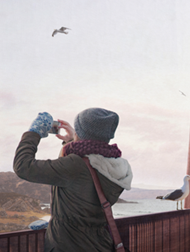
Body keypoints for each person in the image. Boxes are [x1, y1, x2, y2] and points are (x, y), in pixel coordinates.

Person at [14, 108, 133, 252]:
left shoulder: (76, 166)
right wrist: (70, 142)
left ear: (82, 133)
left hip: (69, 244)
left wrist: (33, 132)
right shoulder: (113, 165)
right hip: (100, 244)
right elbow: (77, 188)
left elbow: (23, 166)